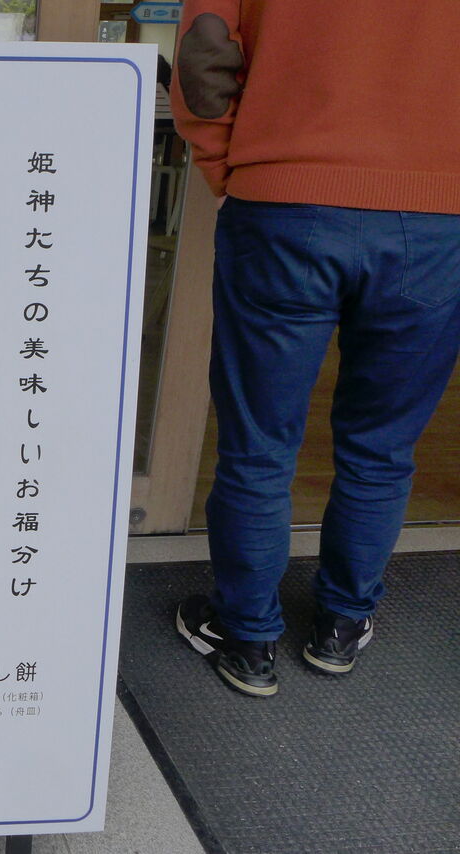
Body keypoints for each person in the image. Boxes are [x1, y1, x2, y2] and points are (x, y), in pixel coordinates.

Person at [169, 2, 460, 697]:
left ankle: (247, 636)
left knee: (258, 443)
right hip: (438, 217)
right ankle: (341, 625)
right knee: (383, 445)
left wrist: (229, 169)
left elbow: (205, 53)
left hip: (284, 202)